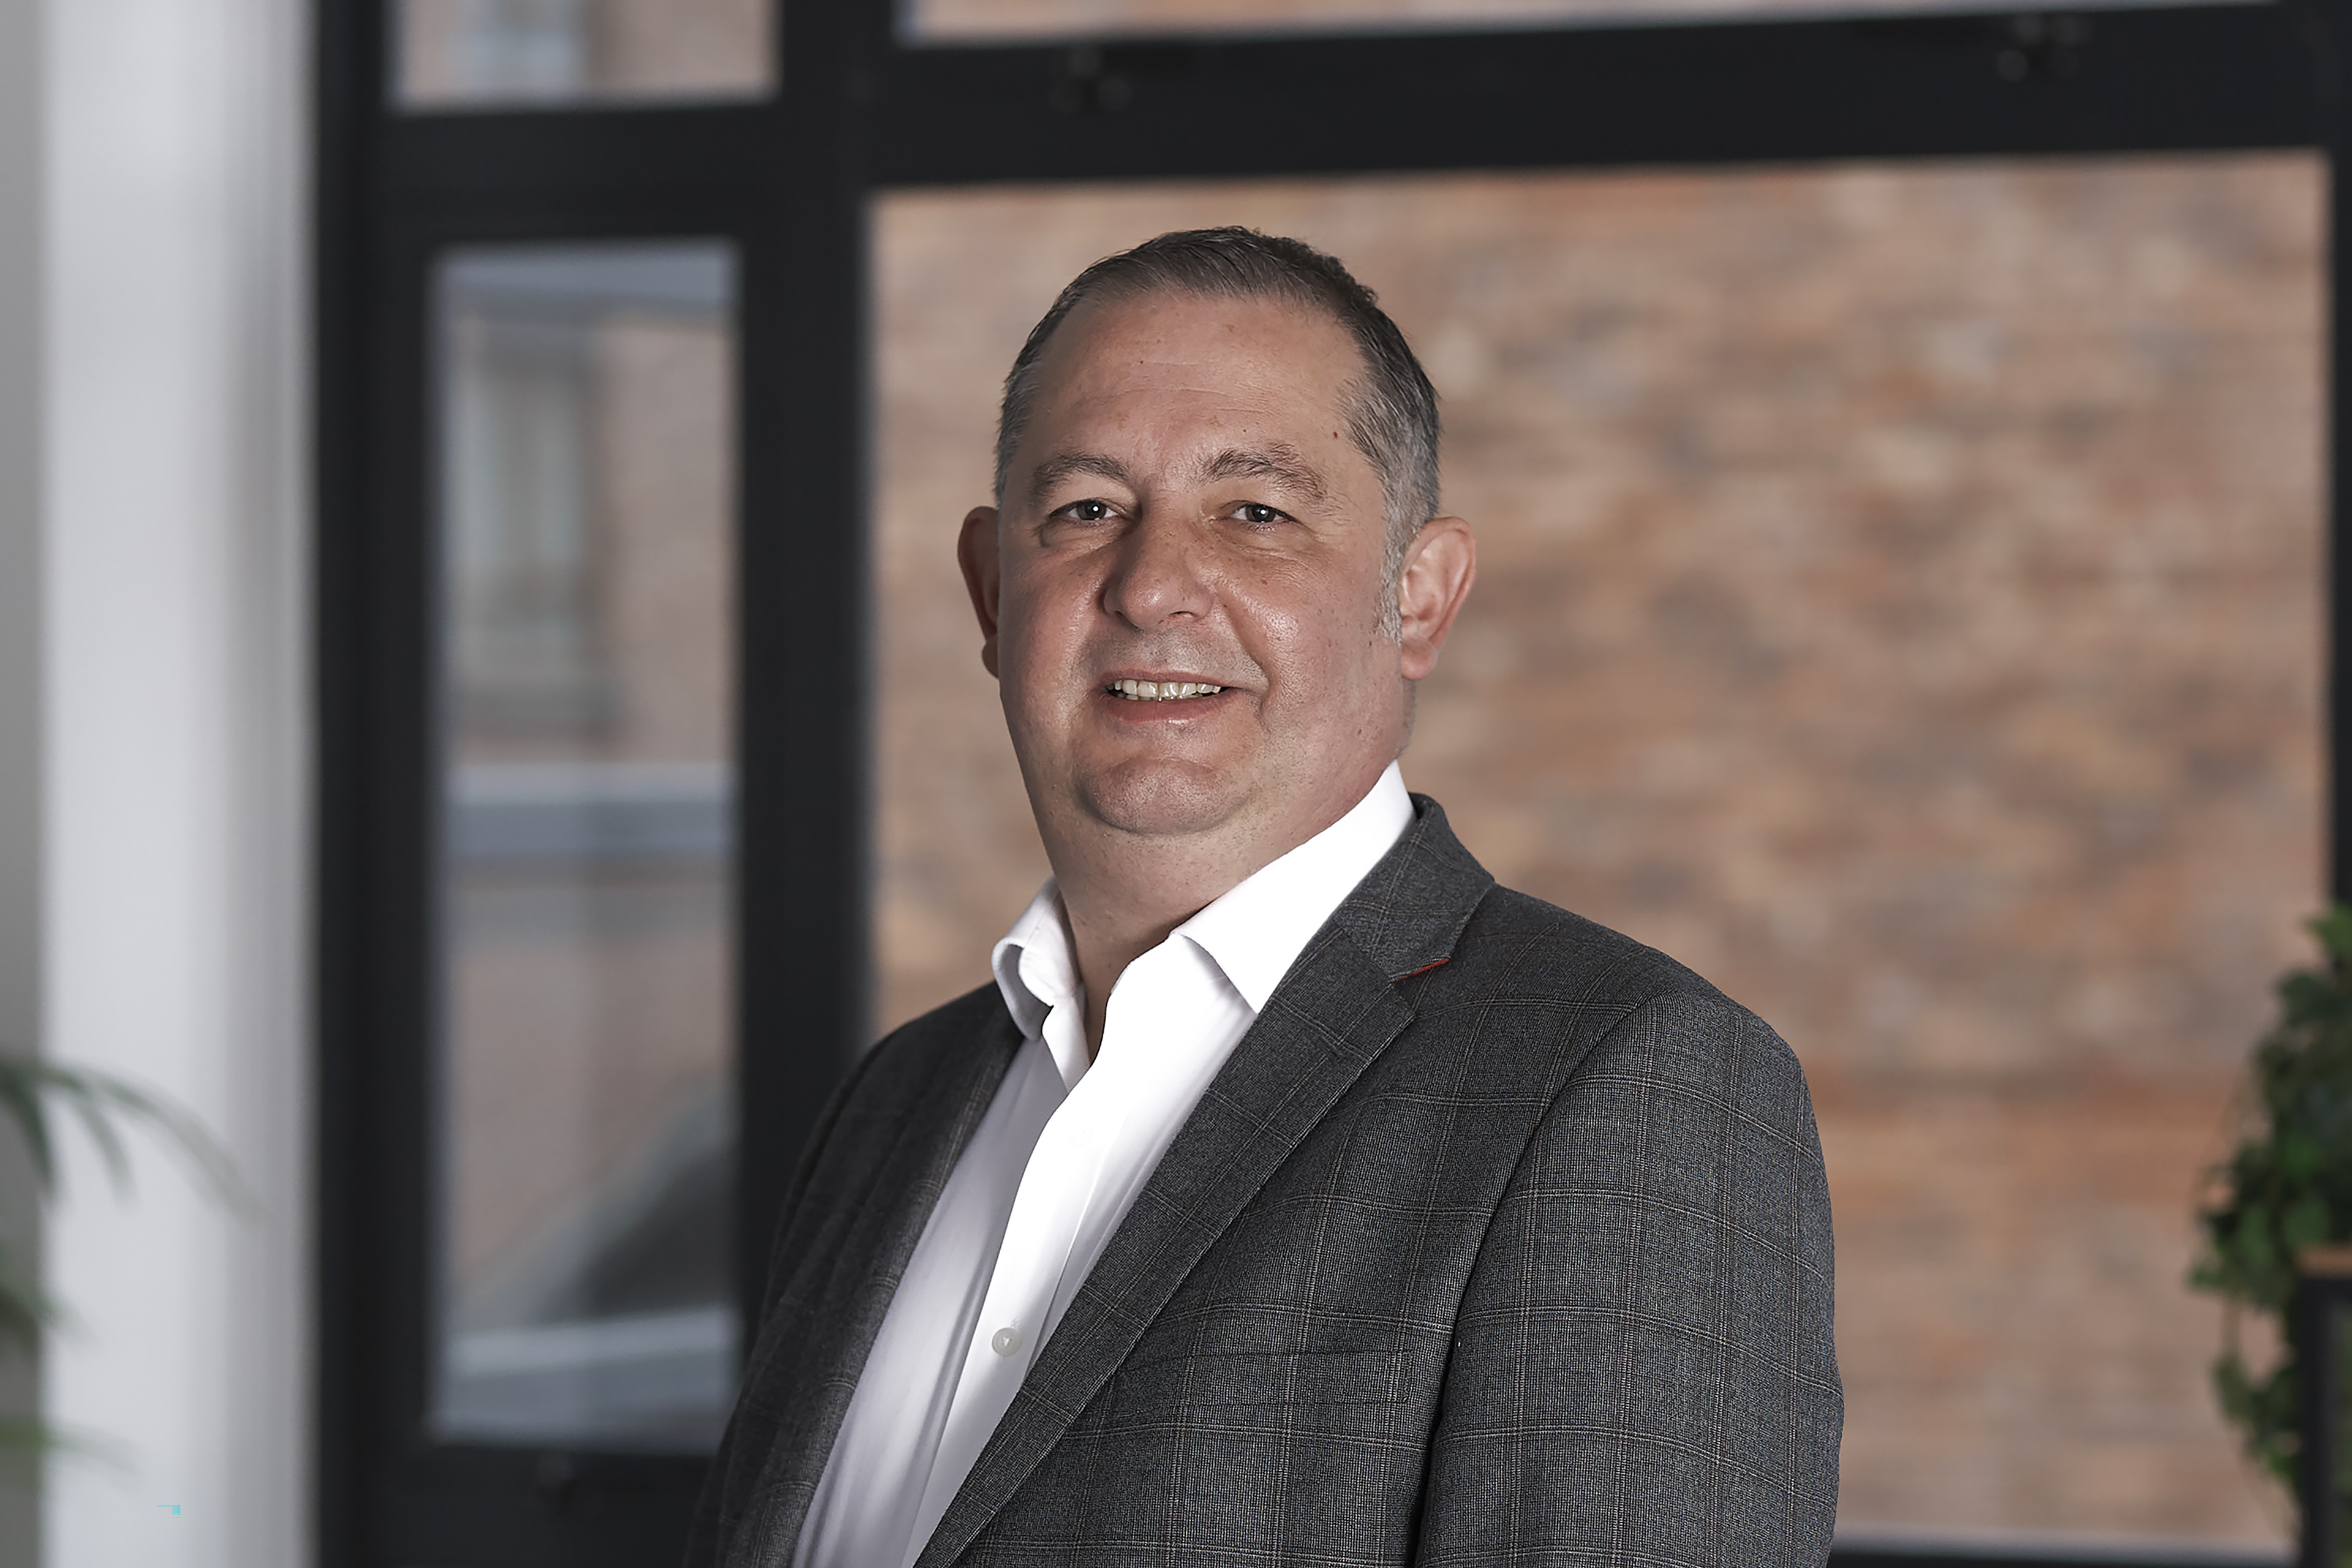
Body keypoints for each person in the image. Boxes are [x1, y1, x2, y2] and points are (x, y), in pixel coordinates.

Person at [687, 228, 1840, 1568]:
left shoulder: (1626, 1089)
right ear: (993, 591)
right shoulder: (892, 1104)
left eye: (1256, 513)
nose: (1152, 586)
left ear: (1419, 597)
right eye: (1087, 509)